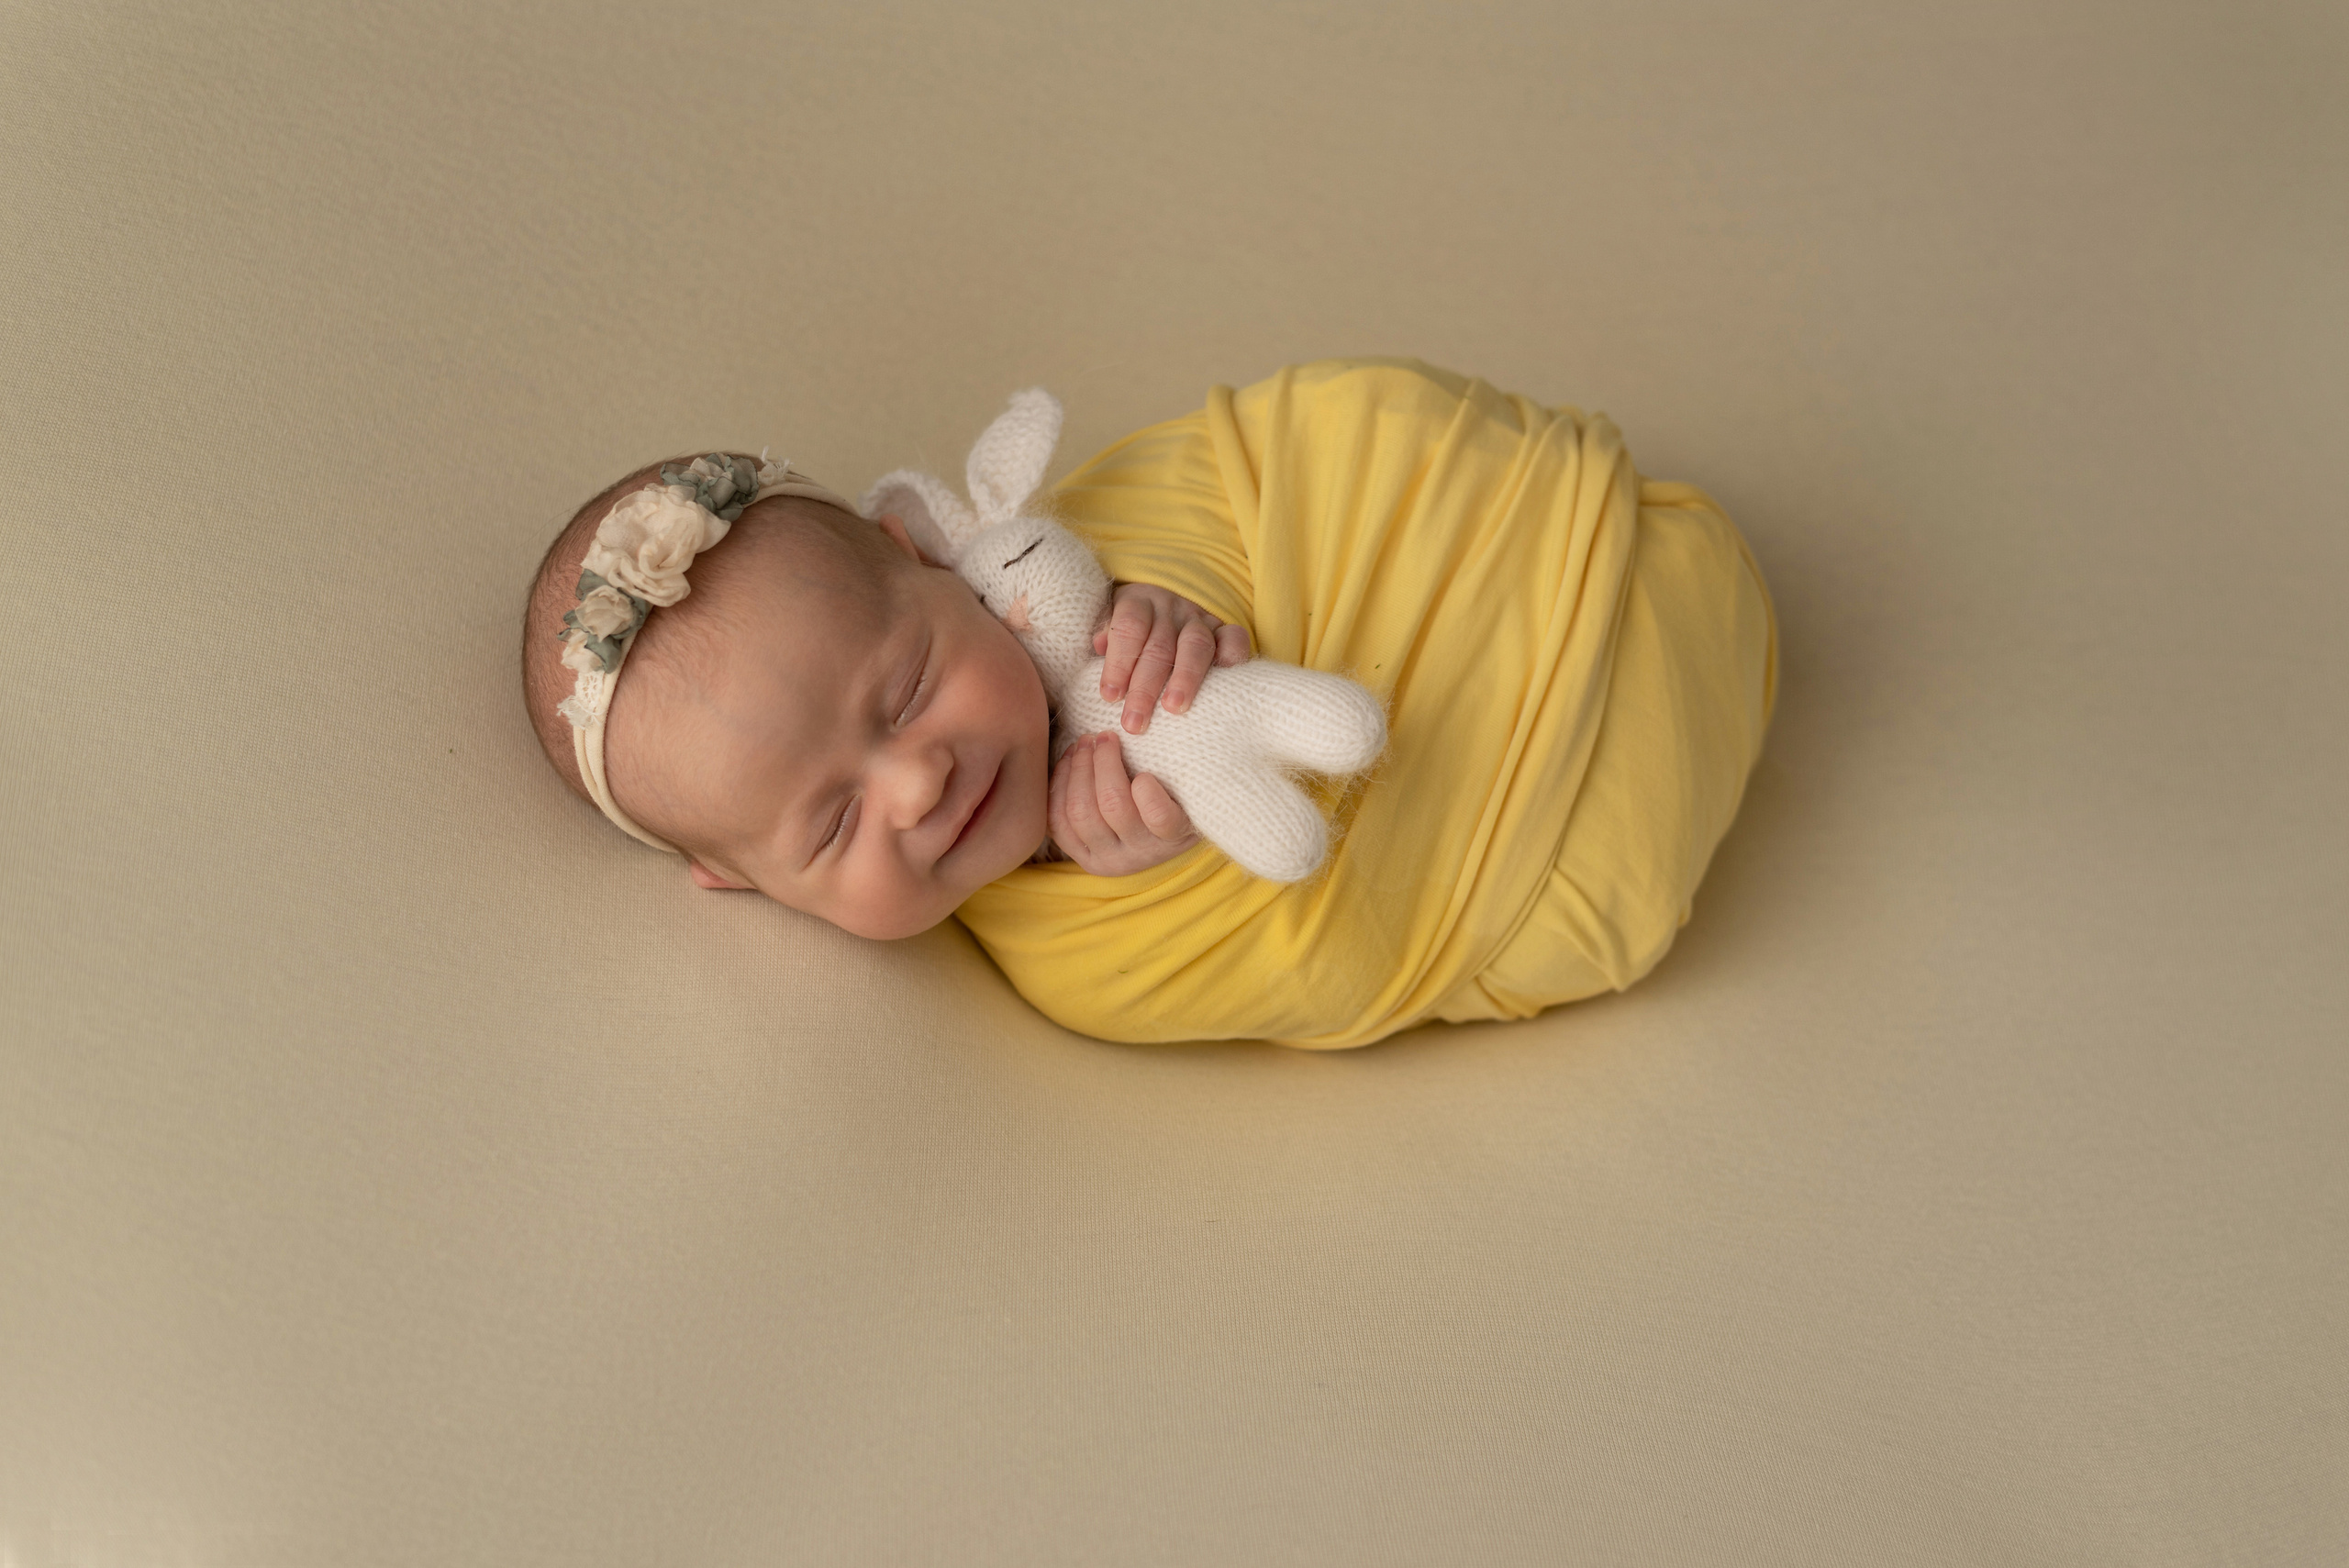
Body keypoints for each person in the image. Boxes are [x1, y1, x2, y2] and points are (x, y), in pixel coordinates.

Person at [520, 357, 1777, 1049]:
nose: (917, 784)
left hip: (1574, 551)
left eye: (904, 691)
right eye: (830, 828)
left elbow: (1237, 476)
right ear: (744, 882)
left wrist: (1171, 595)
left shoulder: (1071, 545)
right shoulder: (1066, 960)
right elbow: (1286, 958)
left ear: (920, 554)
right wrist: (1158, 850)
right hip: (1560, 868)